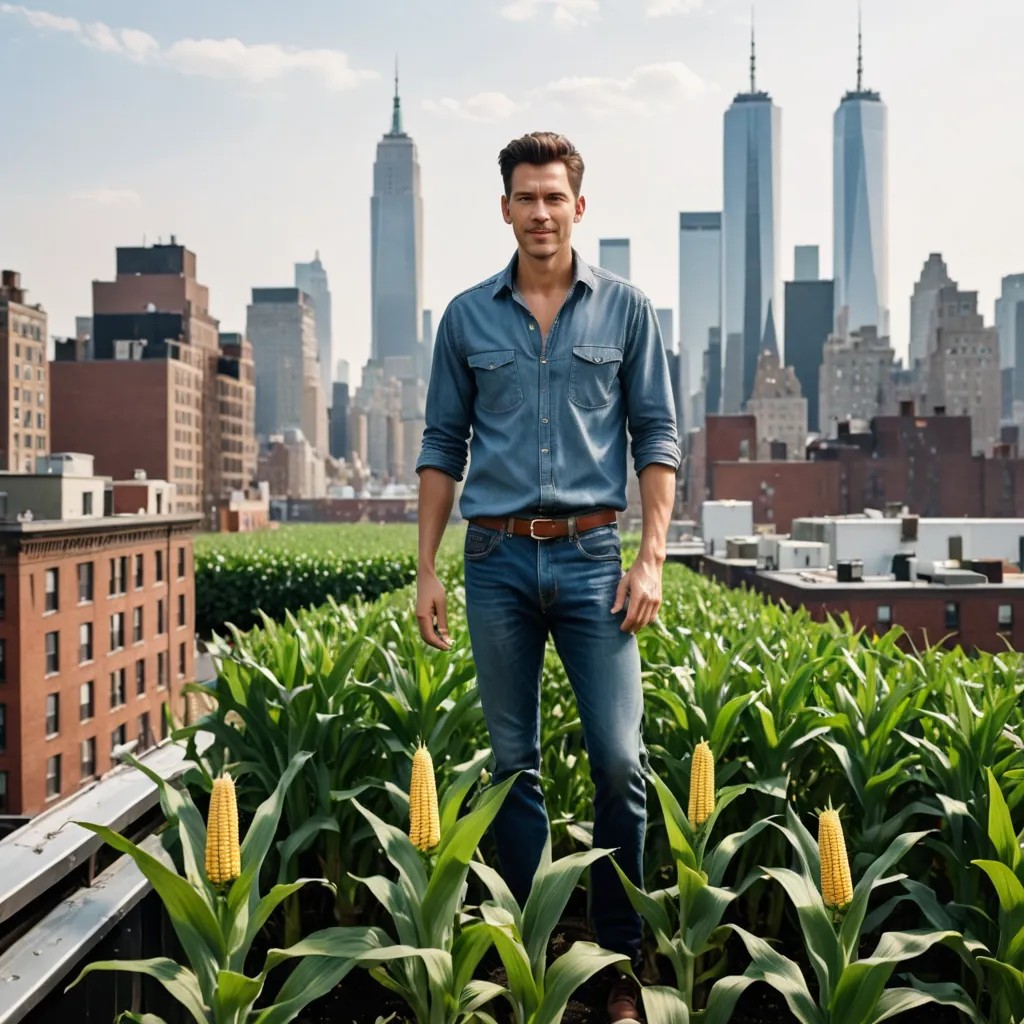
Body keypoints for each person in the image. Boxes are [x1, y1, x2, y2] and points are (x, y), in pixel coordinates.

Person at [415, 131, 680, 1022]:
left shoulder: (628, 312)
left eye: (554, 197)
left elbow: (658, 438)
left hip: (593, 559)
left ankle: (614, 964)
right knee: (511, 766)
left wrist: (650, 558)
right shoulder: (465, 318)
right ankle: (533, 960)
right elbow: (441, 447)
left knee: (619, 759)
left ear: (579, 204)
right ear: (504, 208)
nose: (540, 212)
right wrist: (426, 572)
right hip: (492, 561)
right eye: (525, 198)